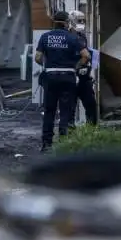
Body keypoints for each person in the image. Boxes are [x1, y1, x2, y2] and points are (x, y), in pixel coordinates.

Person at [35, 10, 90, 152]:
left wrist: (47, 66)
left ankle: (46, 144)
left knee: (49, 111)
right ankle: (64, 142)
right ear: (66, 23)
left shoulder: (45, 37)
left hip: (51, 77)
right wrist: (75, 66)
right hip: (68, 77)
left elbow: (37, 57)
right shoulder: (72, 38)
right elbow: (86, 56)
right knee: (66, 110)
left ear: (54, 22)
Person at [69, 10, 98, 125]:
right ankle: (69, 132)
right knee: (70, 107)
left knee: (91, 105)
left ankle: (90, 131)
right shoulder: (67, 36)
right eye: (78, 20)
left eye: (82, 20)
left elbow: (88, 55)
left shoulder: (82, 36)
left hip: (84, 77)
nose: (81, 23)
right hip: (71, 76)